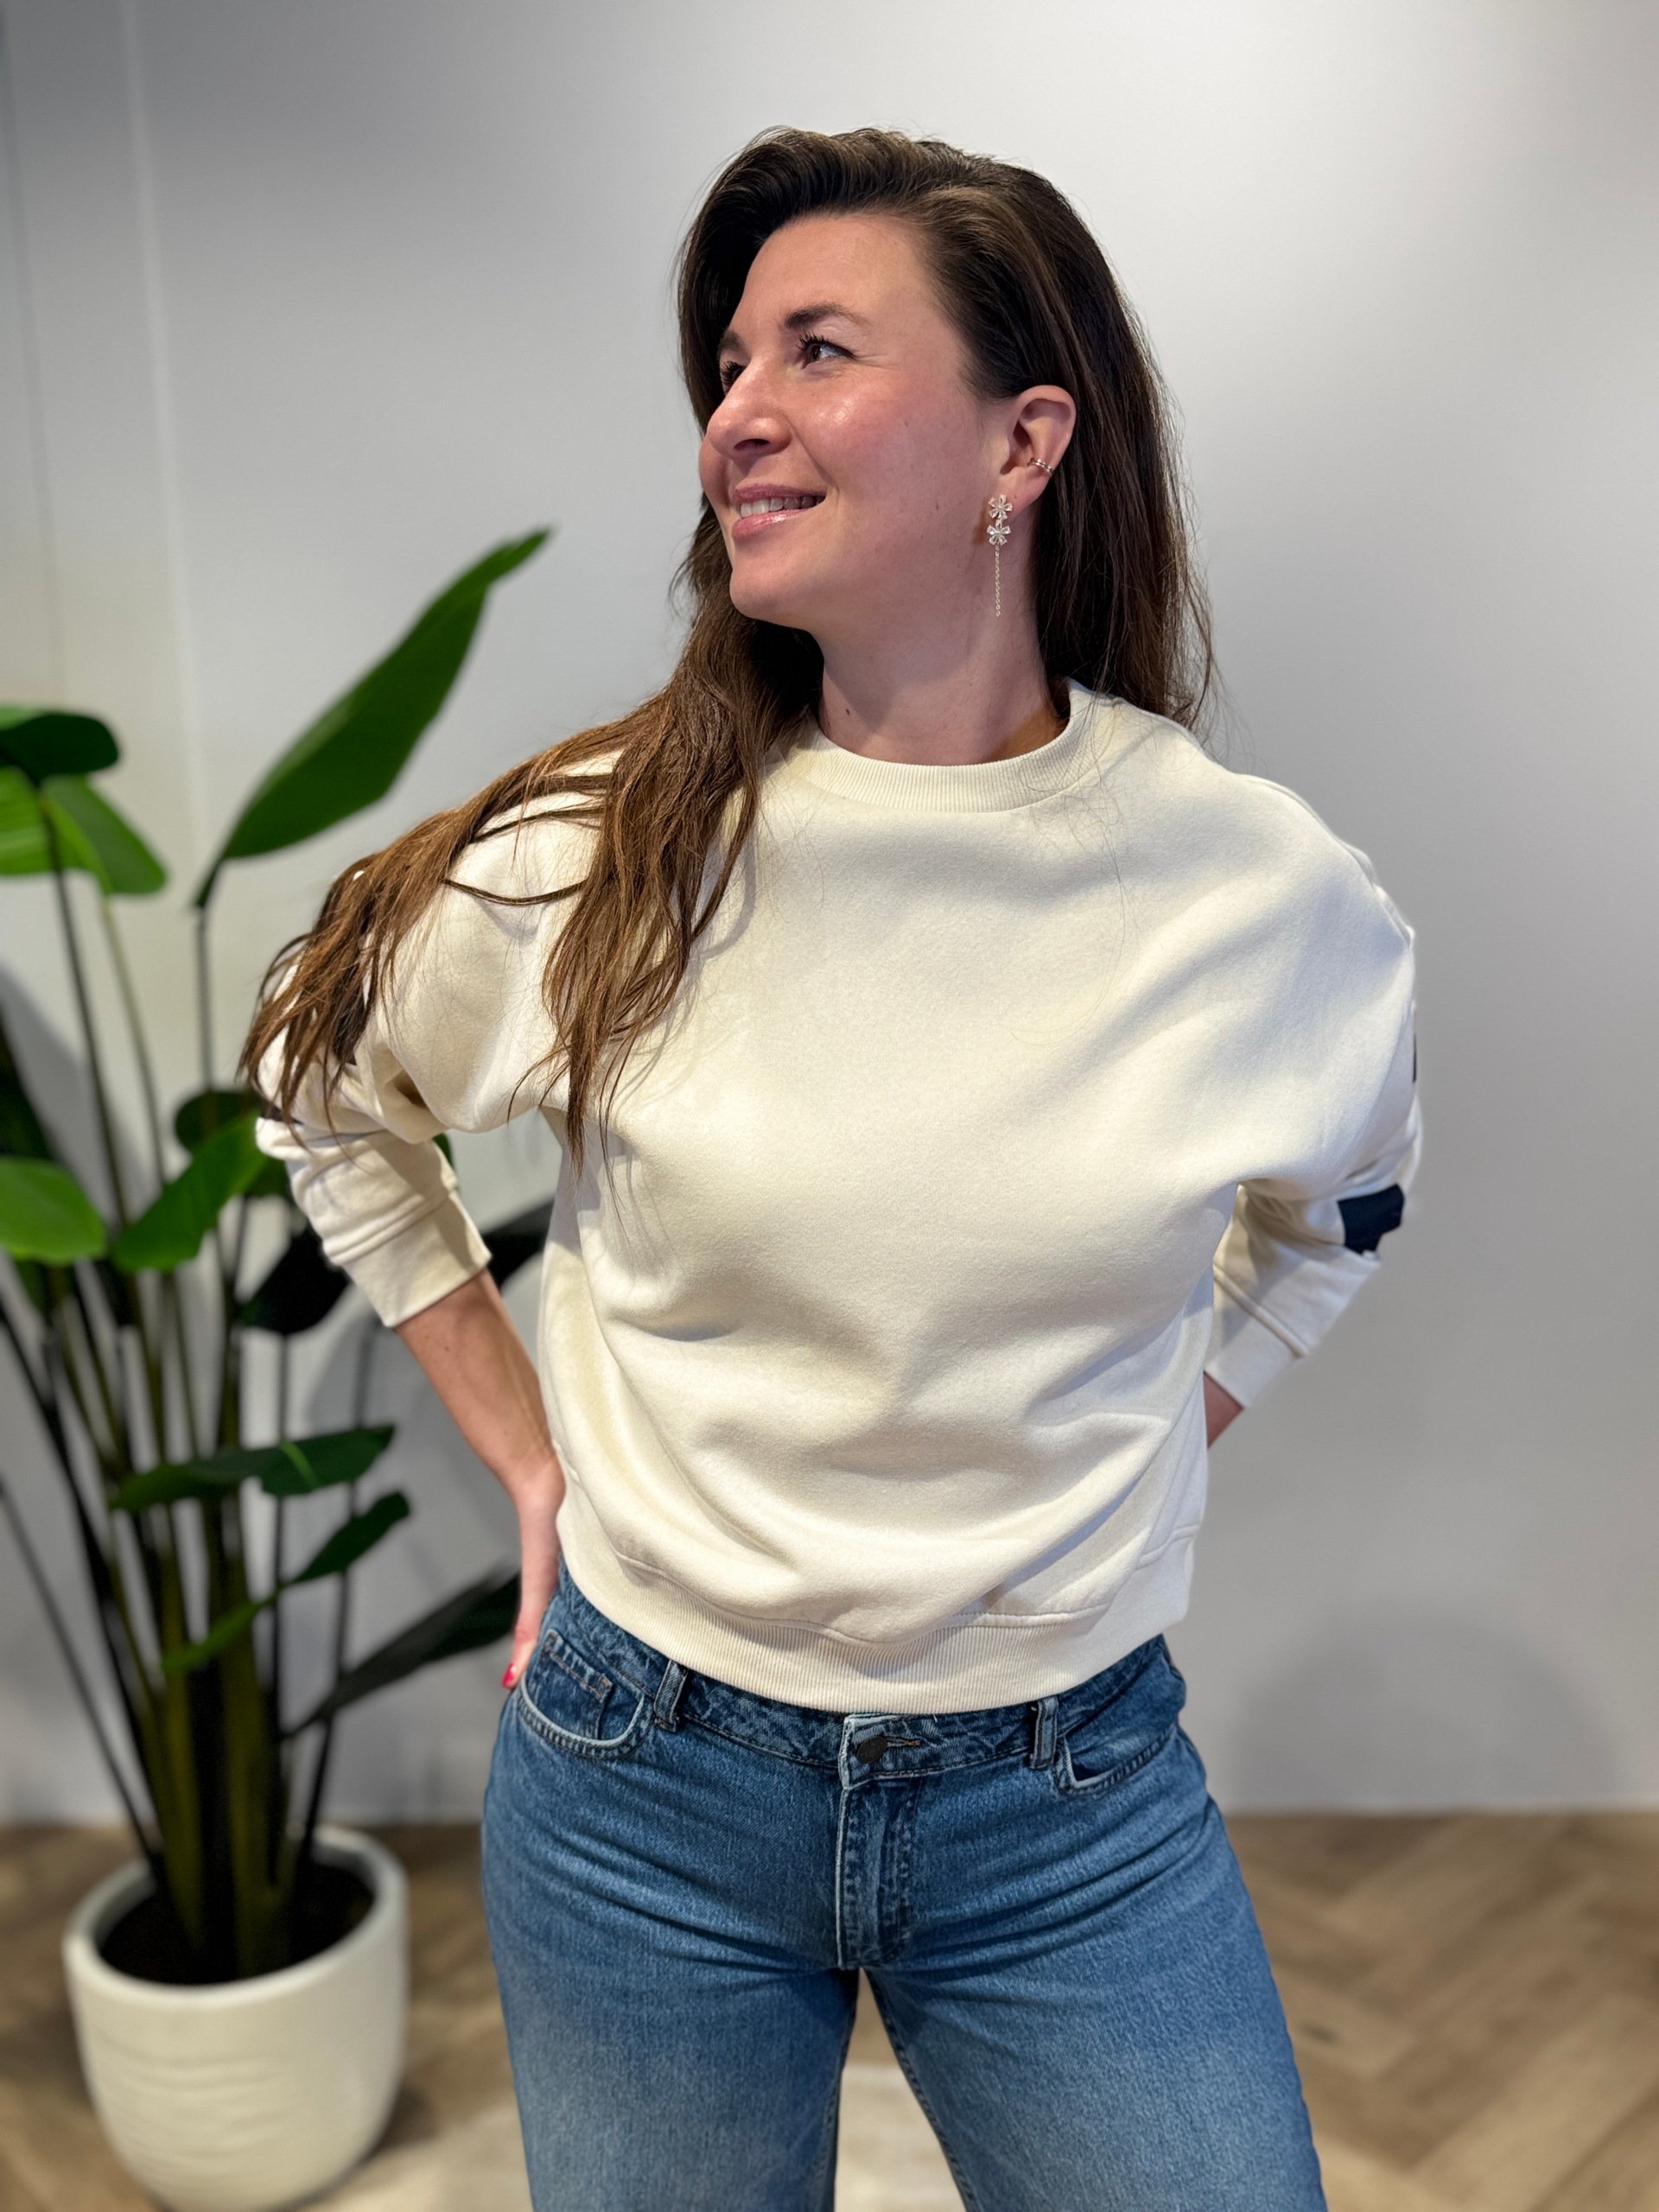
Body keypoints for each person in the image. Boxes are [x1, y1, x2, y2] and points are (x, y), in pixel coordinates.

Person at [249, 126, 1417, 2212]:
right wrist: (527, 1450)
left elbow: (1338, 1216)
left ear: (1021, 442)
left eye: (816, 348)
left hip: (1066, 1805)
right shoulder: (615, 844)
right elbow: (322, 1082)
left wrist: (1161, 1428)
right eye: (726, 364)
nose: (738, 414)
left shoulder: (1253, 895)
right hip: (643, 1783)